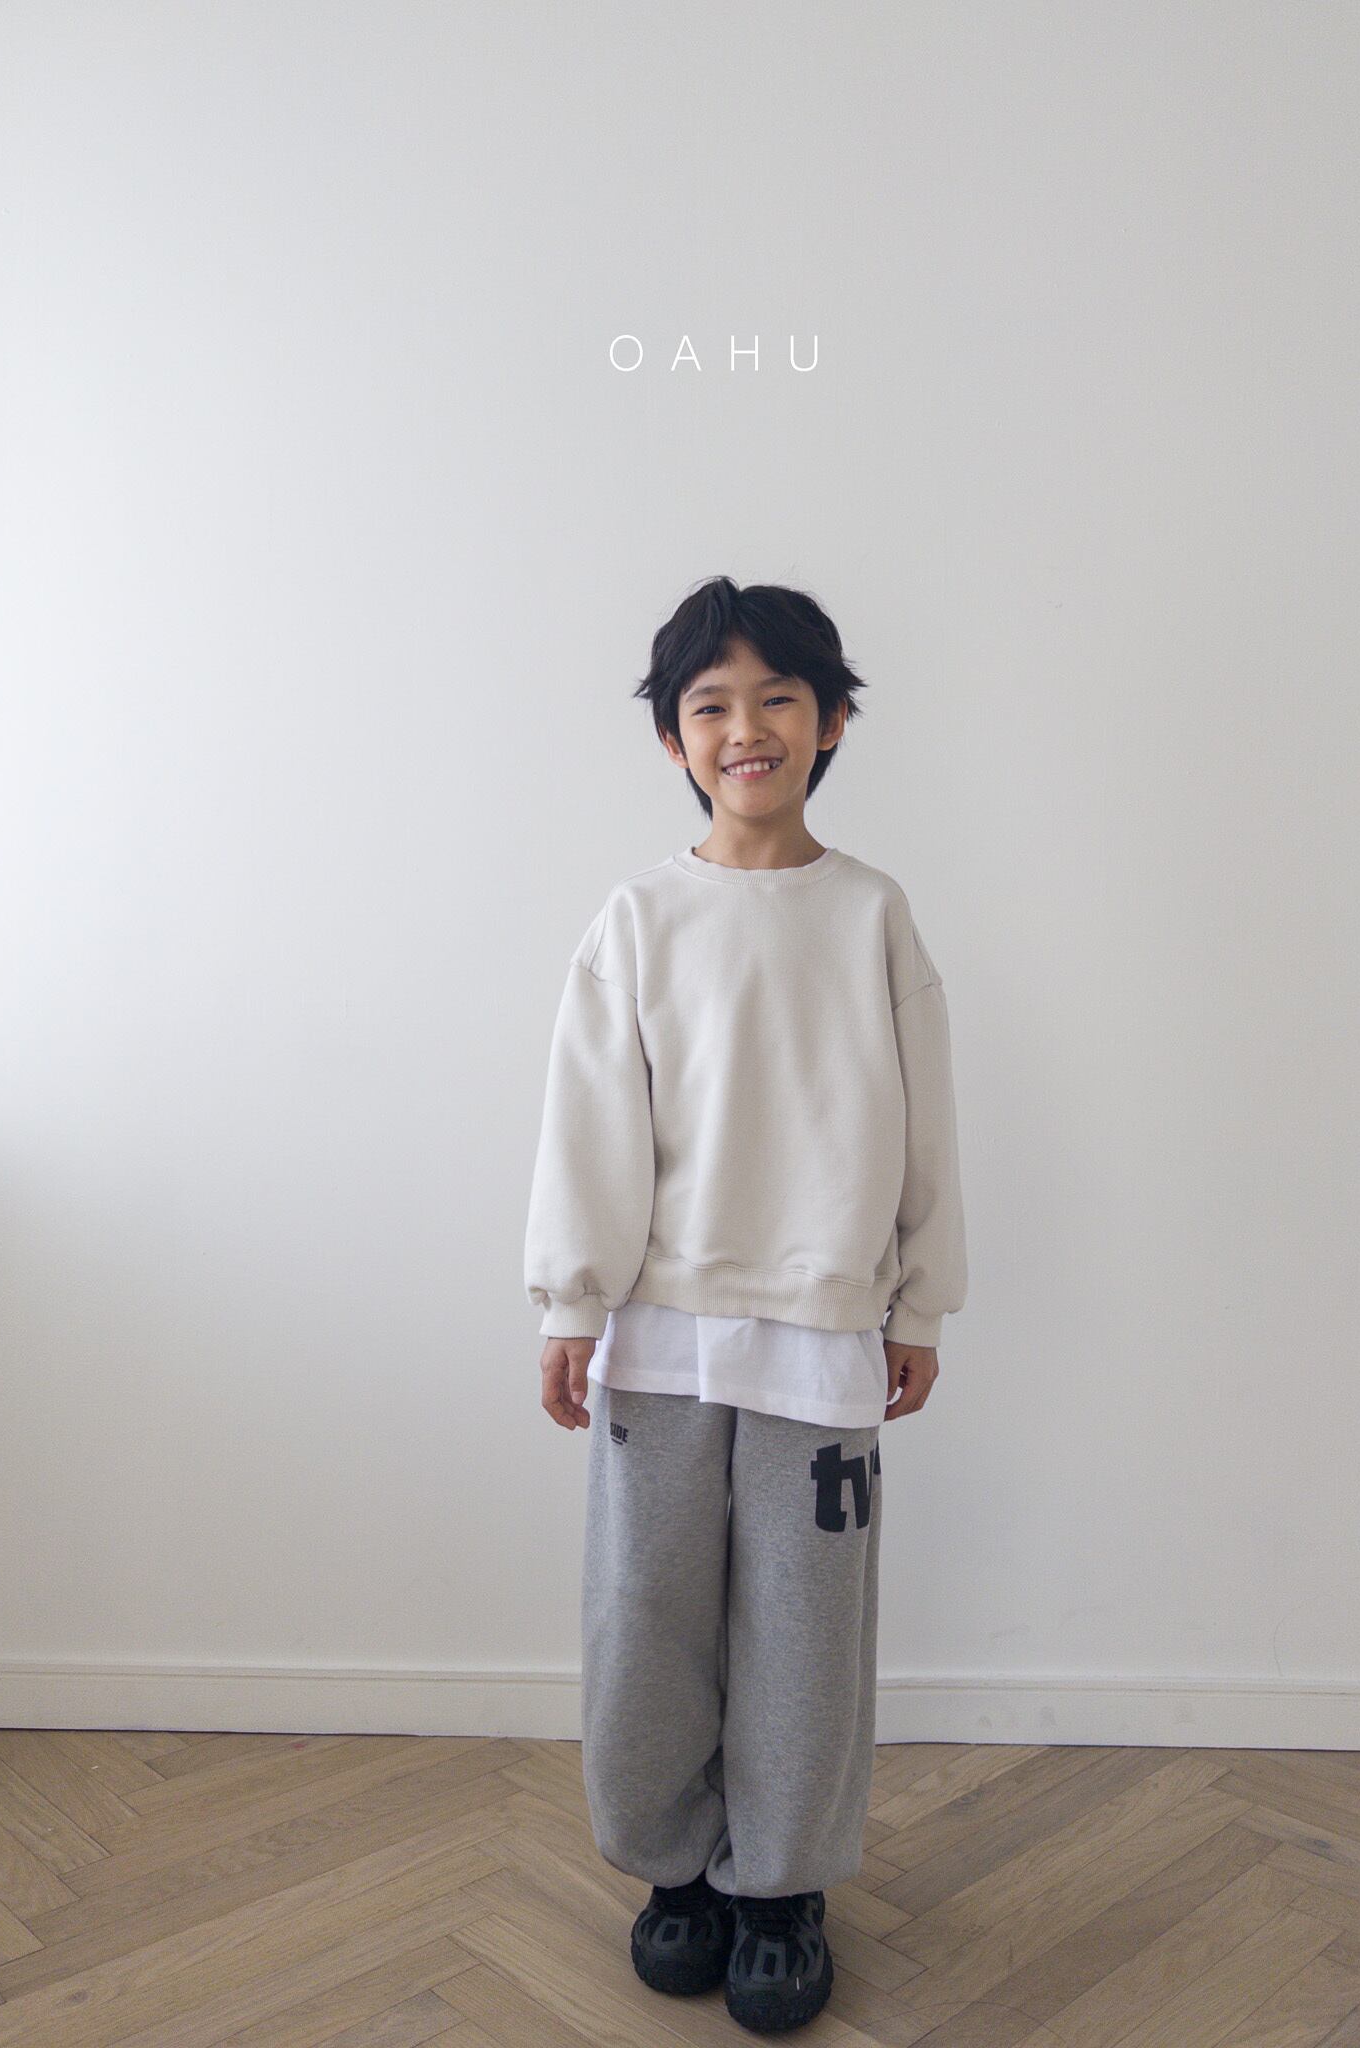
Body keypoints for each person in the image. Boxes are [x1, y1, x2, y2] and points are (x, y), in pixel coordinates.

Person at [523, 575, 968, 2035]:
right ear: (673, 738)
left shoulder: (872, 915)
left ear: (831, 721)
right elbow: (590, 1125)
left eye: (778, 695)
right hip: (657, 1334)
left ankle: (779, 1888)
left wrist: (920, 1304)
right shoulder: (639, 918)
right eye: (709, 703)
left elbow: (925, 1126)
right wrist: (571, 1303)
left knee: (804, 1626)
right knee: (645, 1609)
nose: (746, 726)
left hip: (824, 1337)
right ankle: (676, 1871)